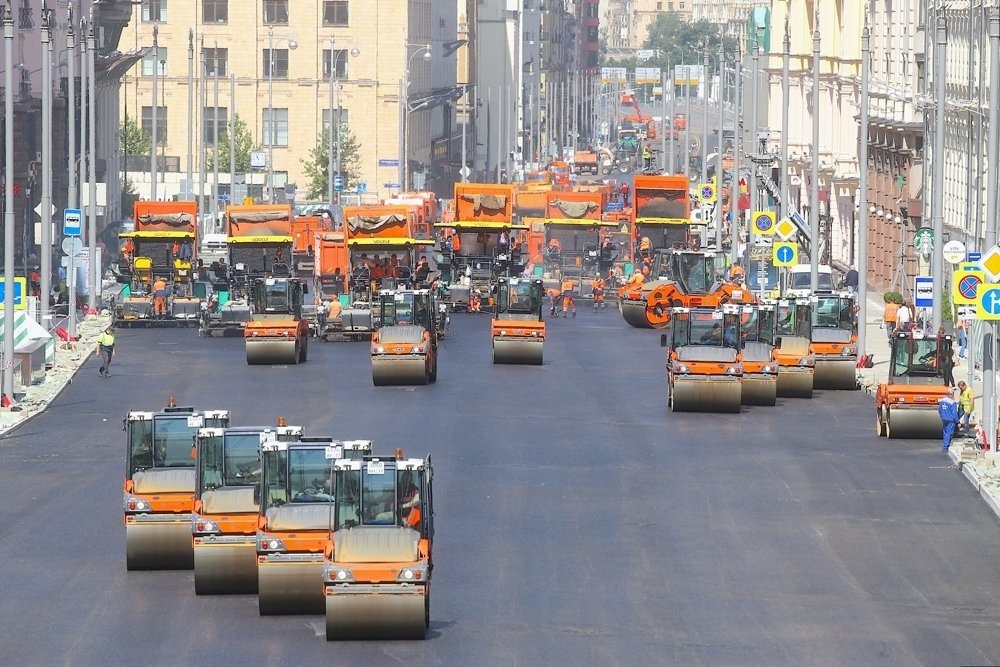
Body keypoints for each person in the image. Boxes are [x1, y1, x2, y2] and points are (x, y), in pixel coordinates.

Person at [938, 388, 960, 452]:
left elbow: (940, 410)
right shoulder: (953, 403)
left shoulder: (942, 401)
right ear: (952, 394)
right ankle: (946, 446)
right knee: (949, 433)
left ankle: (945, 445)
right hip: (951, 420)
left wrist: (941, 416)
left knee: (945, 432)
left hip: (944, 419)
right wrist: (958, 422)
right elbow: (954, 414)